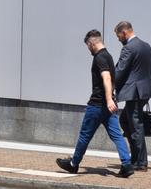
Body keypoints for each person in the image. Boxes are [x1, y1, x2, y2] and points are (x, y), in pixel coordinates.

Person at [56, 29, 134, 178]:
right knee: (117, 136)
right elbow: (111, 79)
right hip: (108, 107)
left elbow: (106, 78)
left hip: (97, 105)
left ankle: (73, 164)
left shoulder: (100, 57)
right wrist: (111, 98)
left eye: (87, 46)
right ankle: (127, 164)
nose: (88, 49)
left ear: (92, 43)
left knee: (85, 135)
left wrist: (109, 99)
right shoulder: (109, 56)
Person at [114, 21, 151, 172]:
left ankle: (141, 162)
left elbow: (120, 71)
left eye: (118, 36)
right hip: (144, 90)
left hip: (134, 92)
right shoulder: (146, 46)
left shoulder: (129, 48)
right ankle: (136, 157)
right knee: (125, 120)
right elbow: (149, 69)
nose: (119, 40)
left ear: (124, 33)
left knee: (135, 125)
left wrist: (109, 85)